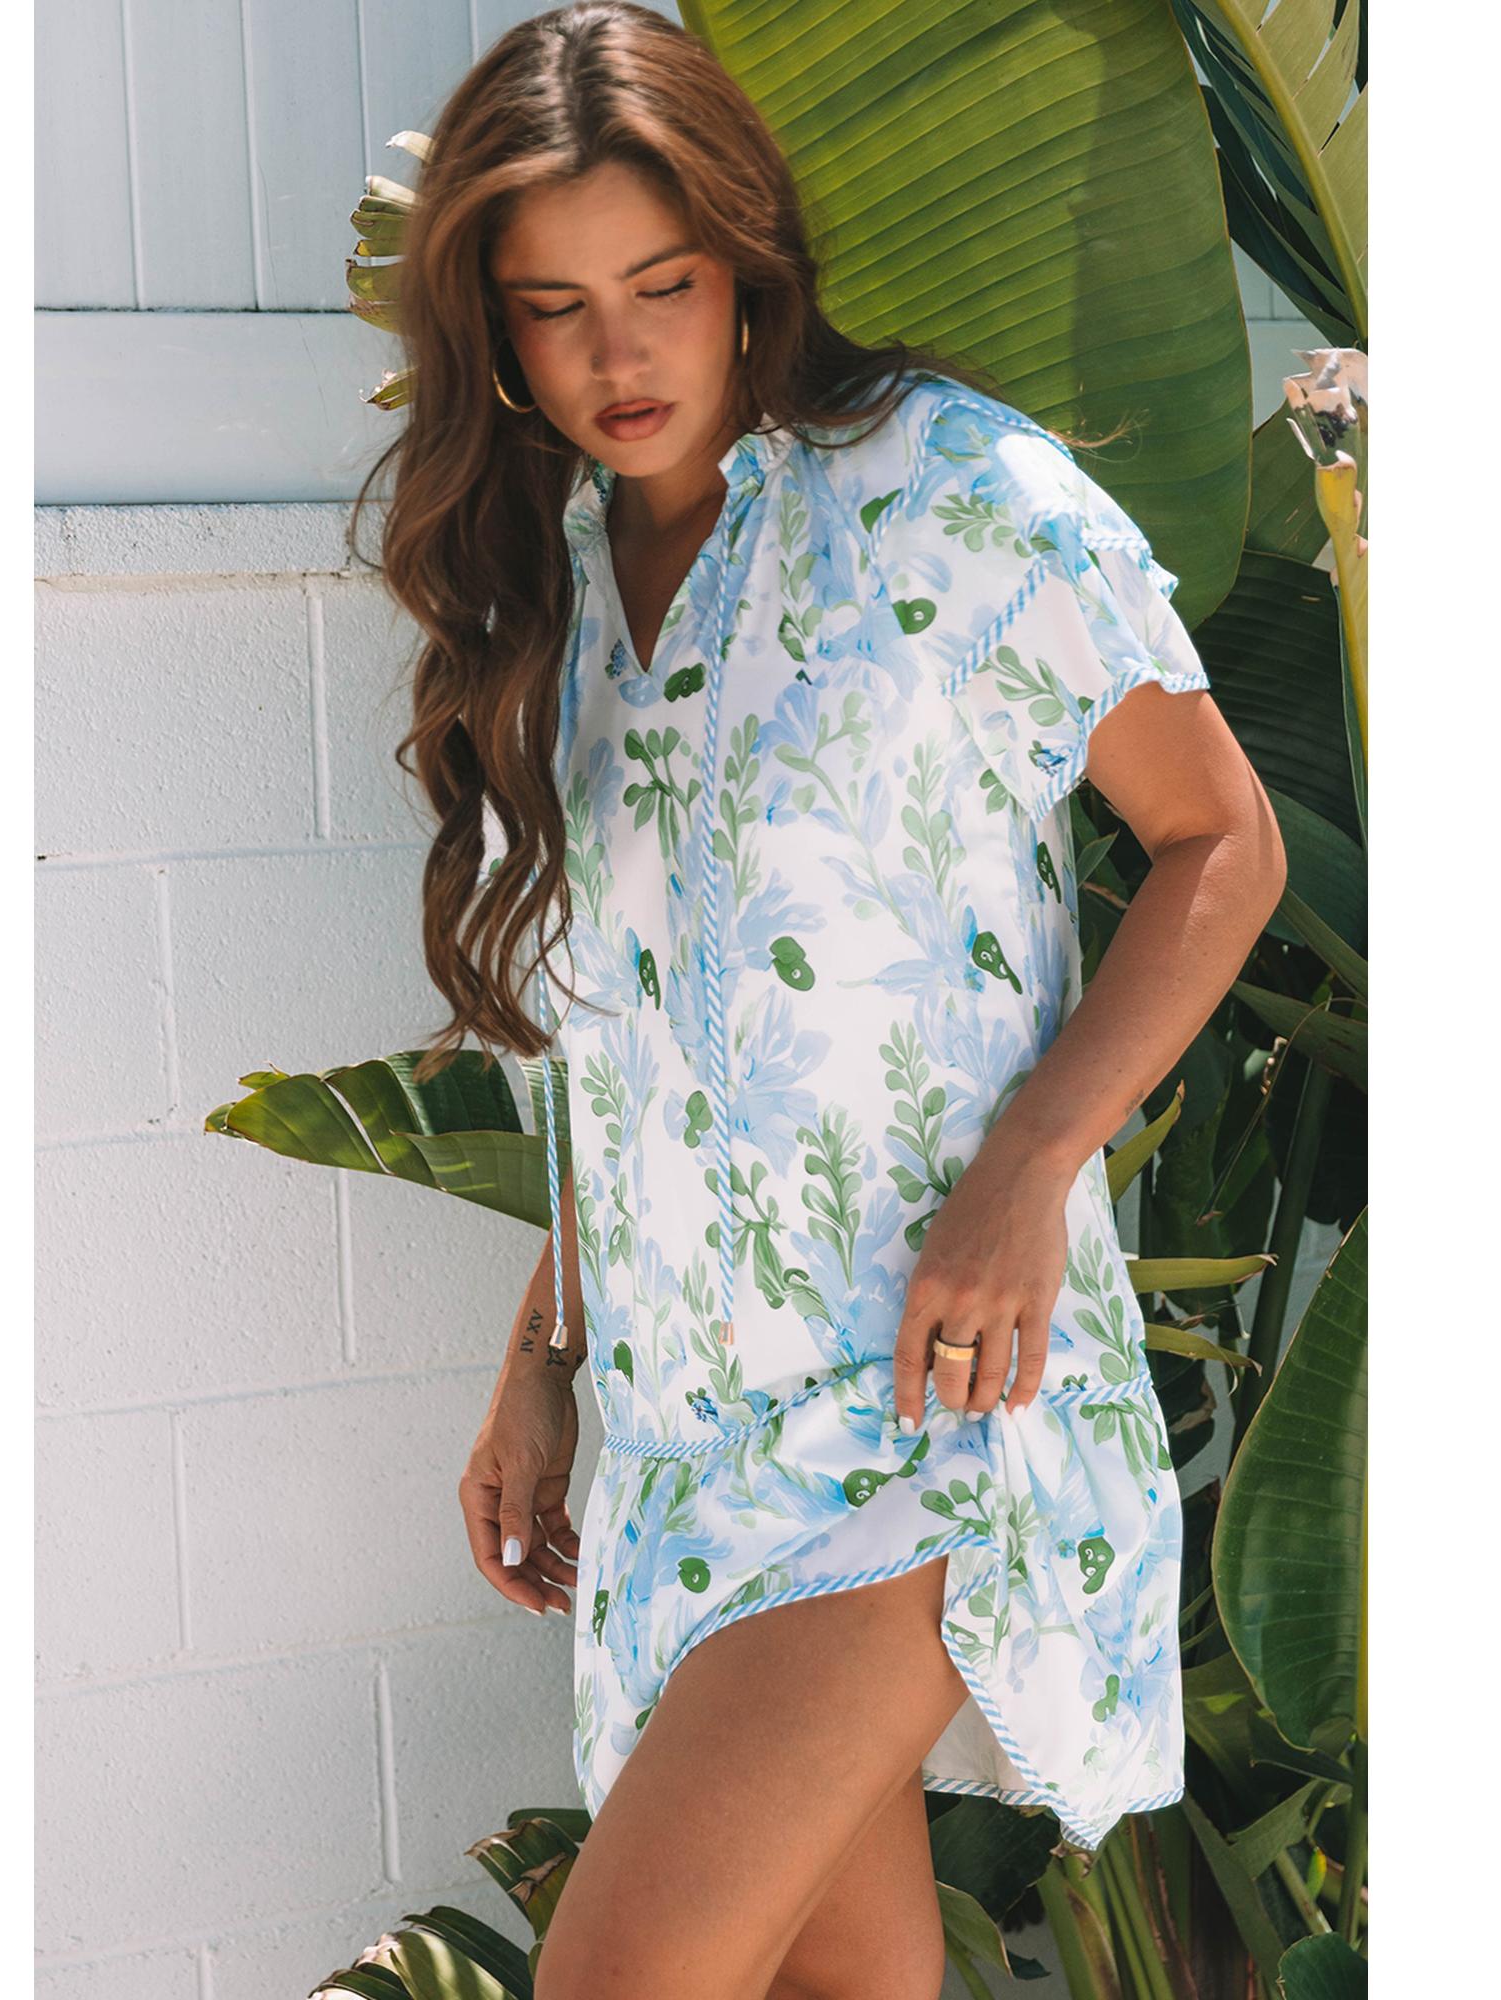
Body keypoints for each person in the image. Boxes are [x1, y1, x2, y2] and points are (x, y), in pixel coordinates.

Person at [359, 6, 1286, 1996]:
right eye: (553, 309)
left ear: (745, 259)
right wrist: (542, 1349)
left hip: (925, 1403)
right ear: (491, 331)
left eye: (662, 286)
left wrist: (1026, 1175)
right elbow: (640, 1043)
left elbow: (1220, 840)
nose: (617, 355)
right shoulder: (551, 580)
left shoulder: (941, 491)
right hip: (679, 1440)